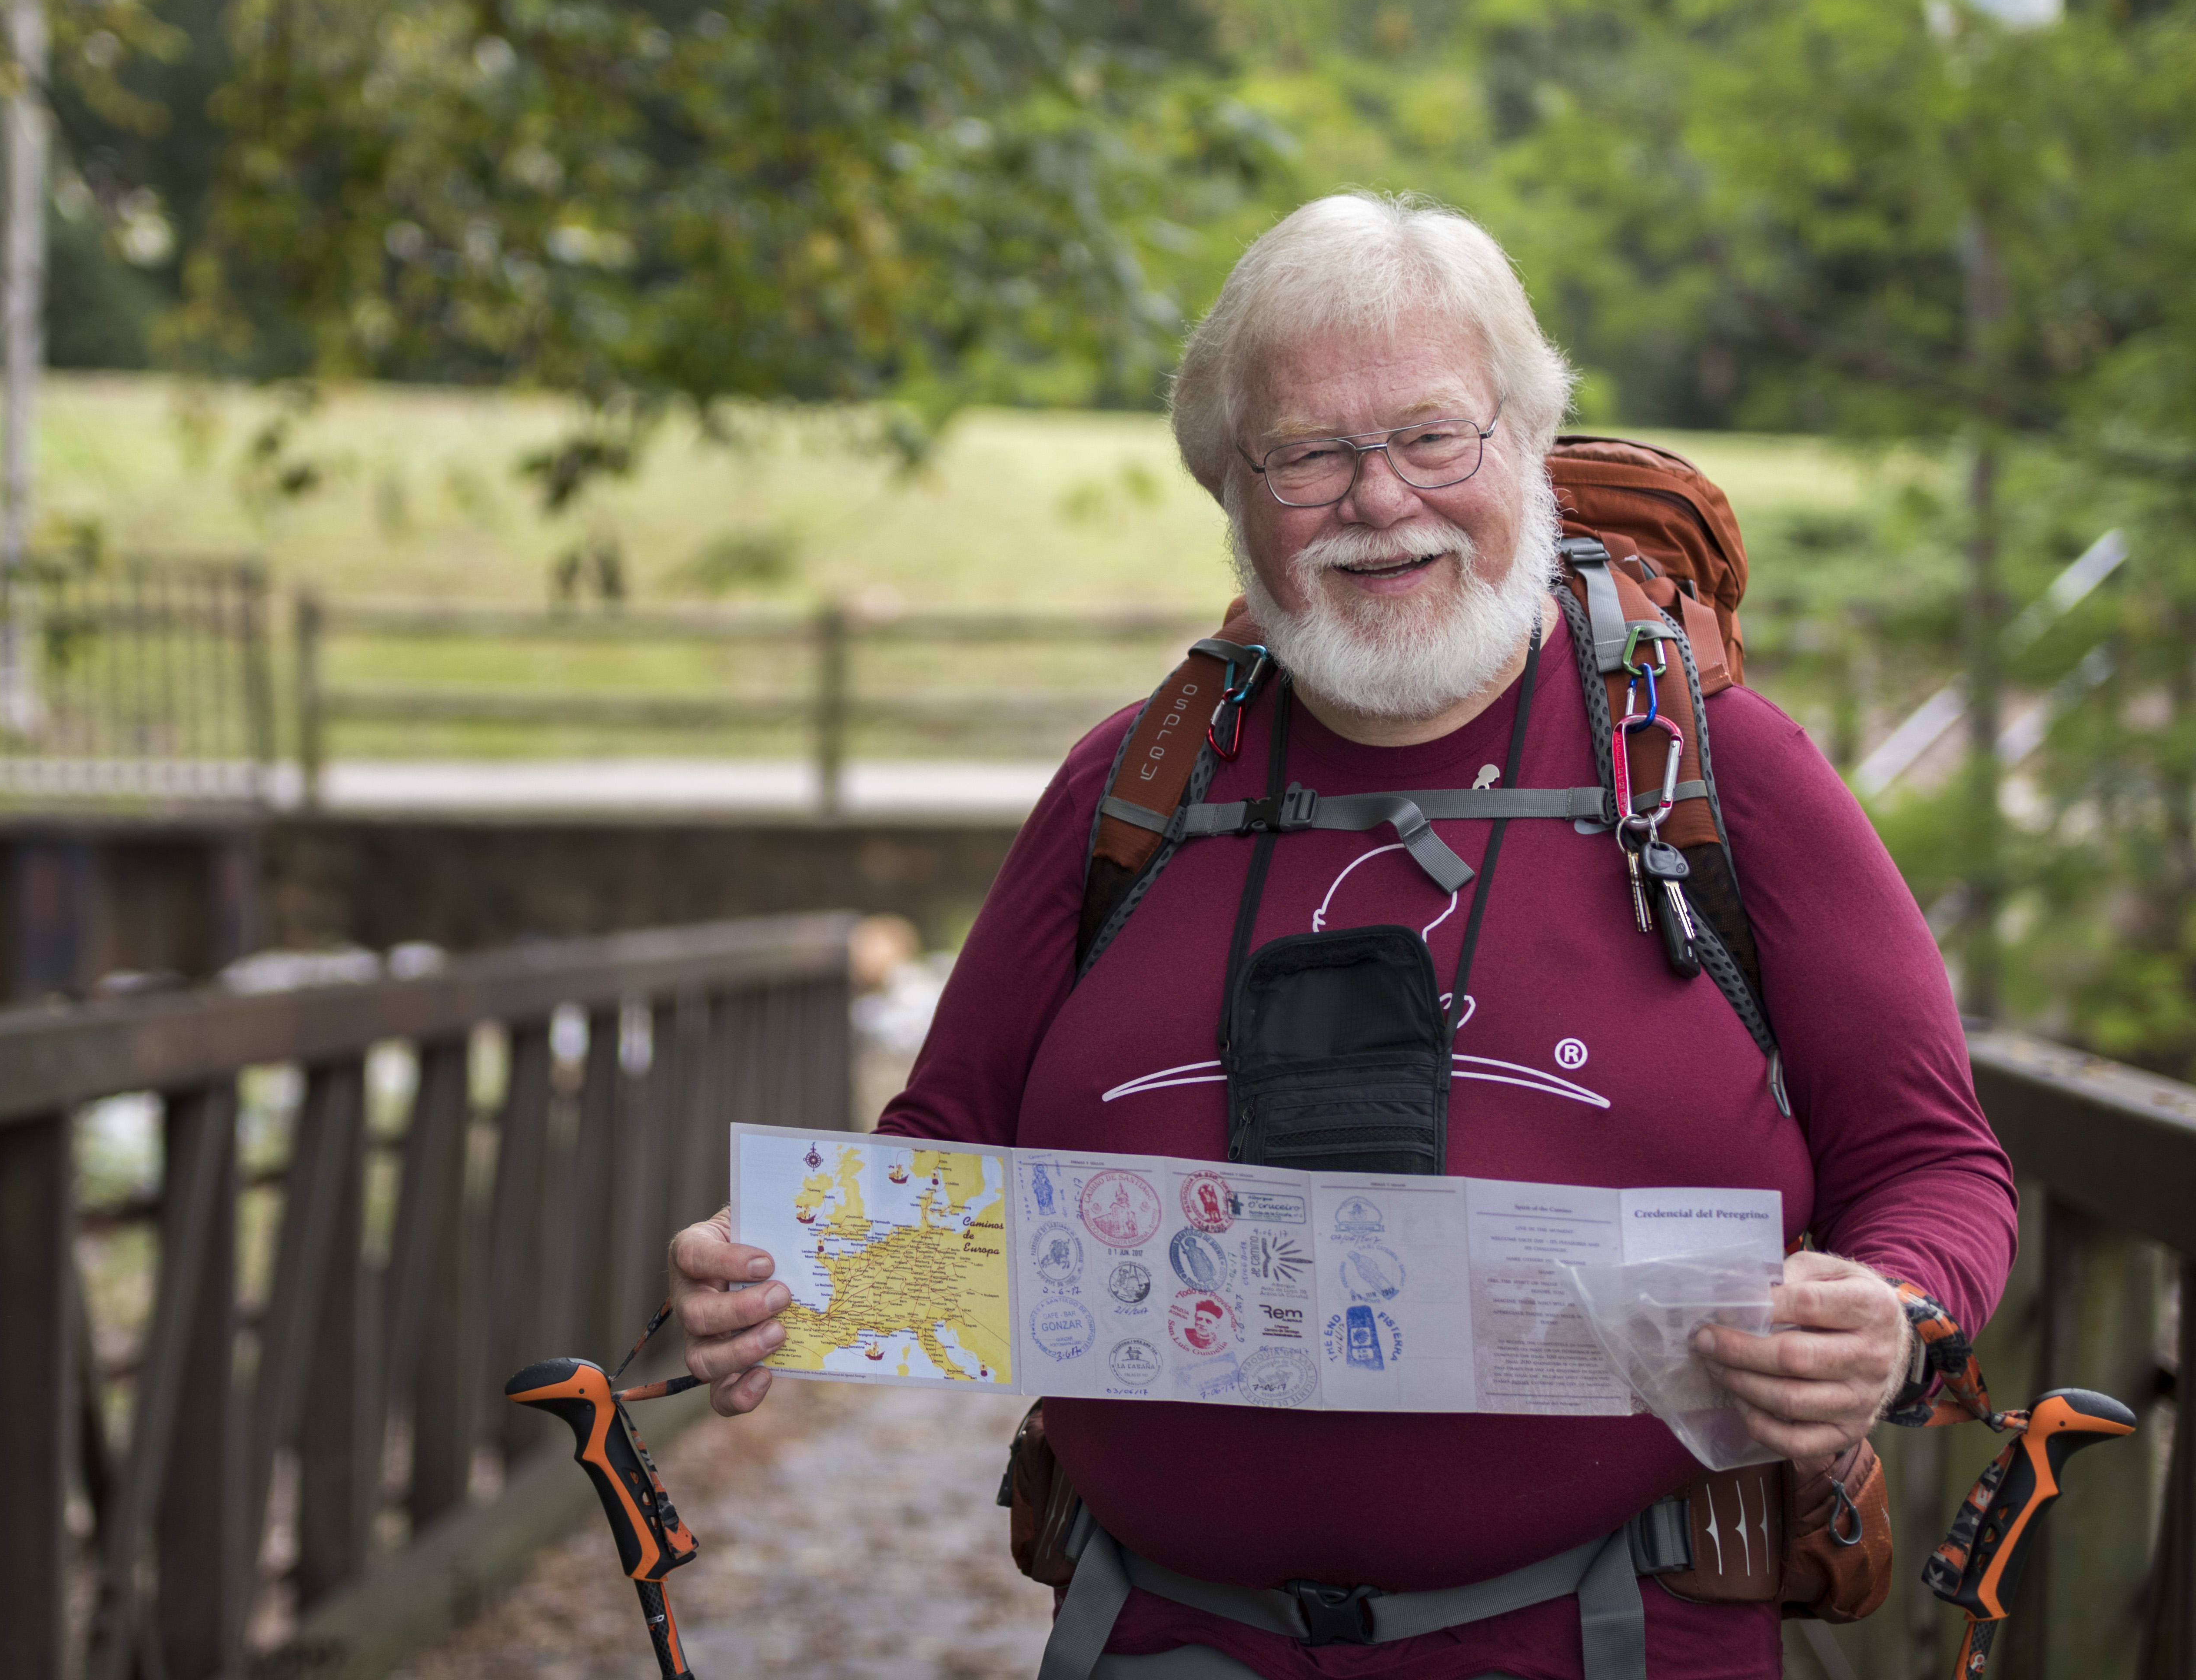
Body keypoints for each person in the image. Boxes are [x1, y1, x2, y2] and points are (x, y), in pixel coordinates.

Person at [668, 192, 2016, 1680]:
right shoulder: (1132, 783)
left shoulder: (1718, 772)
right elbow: (946, 1151)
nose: (1381, 500)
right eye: (1307, 452)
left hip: (1620, 1637)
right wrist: (785, 1271)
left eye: (1436, 436)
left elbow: (1933, 1167)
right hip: (1166, 1636)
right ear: (1233, 497)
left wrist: (1891, 1316)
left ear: (1528, 445)